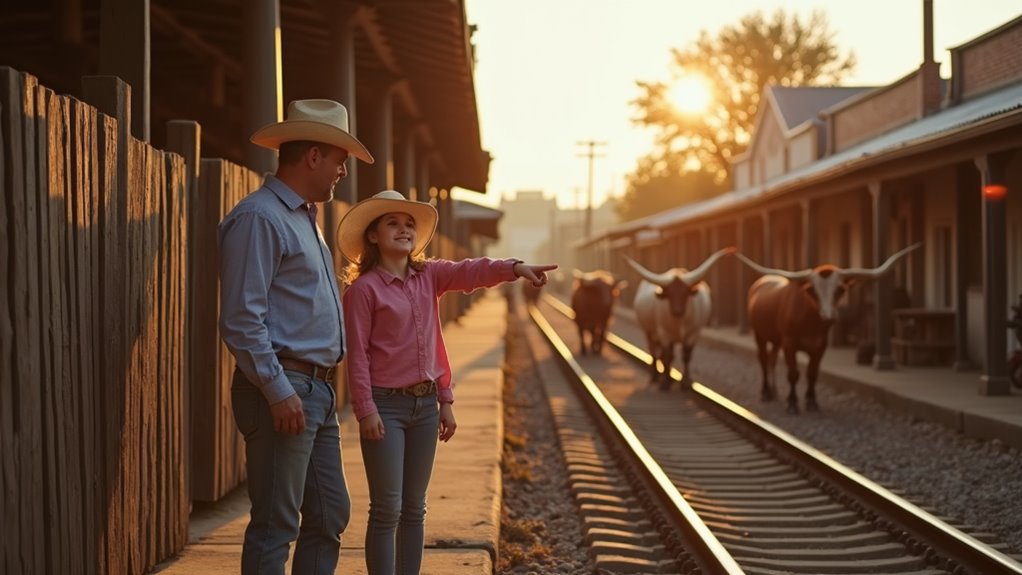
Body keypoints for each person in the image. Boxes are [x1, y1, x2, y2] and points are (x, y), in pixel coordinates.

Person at [336, 190, 557, 575]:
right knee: (387, 507)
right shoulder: (363, 291)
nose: (404, 230)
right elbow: (358, 356)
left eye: (409, 225)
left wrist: (515, 268)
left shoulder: (429, 277)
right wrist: (365, 408)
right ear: (373, 236)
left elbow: (472, 271)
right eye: (393, 223)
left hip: (425, 407)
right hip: (385, 407)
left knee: (415, 507)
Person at [218, 99, 374, 575]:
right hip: (285, 390)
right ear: (313, 157)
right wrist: (276, 388)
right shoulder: (259, 218)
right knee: (275, 524)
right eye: (339, 160)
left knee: (329, 515)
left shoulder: (304, 218)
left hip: (316, 393)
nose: (342, 171)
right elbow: (242, 318)